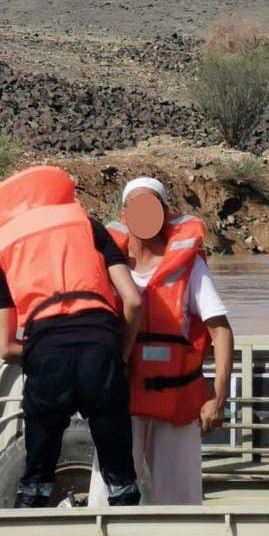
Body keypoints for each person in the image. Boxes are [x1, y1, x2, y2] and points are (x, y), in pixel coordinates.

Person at [0, 164, 143, 508]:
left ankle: (23, 535)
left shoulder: (2, 248)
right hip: (100, 348)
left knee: (36, 477)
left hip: (46, 355)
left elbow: (6, 348)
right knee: (121, 479)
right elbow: (133, 301)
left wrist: (40, 351)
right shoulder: (88, 227)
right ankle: (128, 534)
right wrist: (121, 354)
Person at [88, 176, 234, 507]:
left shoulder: (190, 267)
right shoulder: (105, 267)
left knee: (181, 507)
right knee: (104, 502)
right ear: (123, 216)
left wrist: (218, 398)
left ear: (166, 214)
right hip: (119, 403)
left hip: (177, 404)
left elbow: (221, 331)